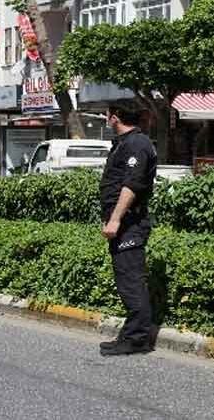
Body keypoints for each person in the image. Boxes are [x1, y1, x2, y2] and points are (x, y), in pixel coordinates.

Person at [99, 100, 157, 357]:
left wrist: (115, 219)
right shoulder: (125, 143)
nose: (105, 118)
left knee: (131, 283)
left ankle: (137, 340)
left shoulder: (137, 144)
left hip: (130, 223)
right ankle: (130, 335)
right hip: (124, 223)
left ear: (116, 117)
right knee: (126, 281)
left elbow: (131, 186)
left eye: (107, 114)